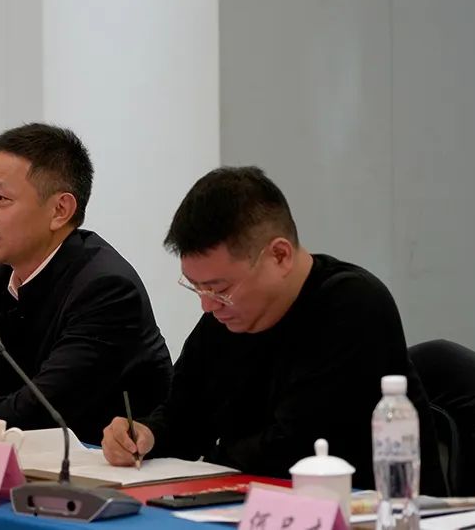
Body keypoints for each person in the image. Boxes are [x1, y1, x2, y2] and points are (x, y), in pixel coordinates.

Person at [101, 166, 446, 493]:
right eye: (196, 287)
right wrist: (145, 434)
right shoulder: (227, 316)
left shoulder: (354, 305)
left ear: (280, 255)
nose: (207, 305)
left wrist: (213, 457)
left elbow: (294, 446)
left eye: (219, 288)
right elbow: (185, 417)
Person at [0, 123, 173, 444]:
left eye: (2, 198)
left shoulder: (107, 288)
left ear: (59, 210)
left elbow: (44, 411)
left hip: (112, 465)